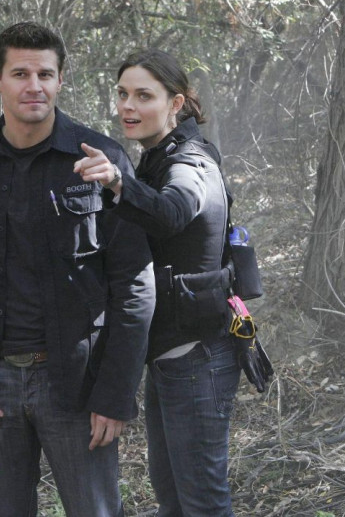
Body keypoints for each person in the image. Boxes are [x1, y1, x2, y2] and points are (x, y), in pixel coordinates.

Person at [0, 22, 155, 517]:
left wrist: (116, 393)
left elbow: (134, 284)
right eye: (20, 74)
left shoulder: (100, 160)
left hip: (77, 384)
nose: (35, 86)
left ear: (60, 80)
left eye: (45, 74)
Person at [74, 49, 241, 516]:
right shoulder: (156, 157)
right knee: (174, 498)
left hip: (197, 356)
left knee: (202, 502)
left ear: (176, 103)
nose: (128, 106)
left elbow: (172, 211)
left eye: (144, 96)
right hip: (173, 355)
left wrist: (117, 182)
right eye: (123, 94)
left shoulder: (190, 164)